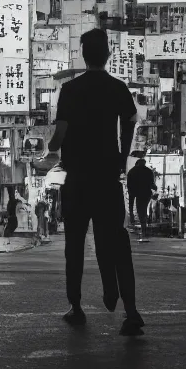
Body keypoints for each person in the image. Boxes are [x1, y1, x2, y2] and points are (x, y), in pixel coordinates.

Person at [47, 28, 145, 336]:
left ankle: (76, 308)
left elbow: (60, 133)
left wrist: (52, 146)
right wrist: (122, 155)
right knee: (117, 242)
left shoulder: (70, 90)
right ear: (108, 54)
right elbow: (130, 122)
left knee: (74, 245)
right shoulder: (118, 88)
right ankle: (130, 312)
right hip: (107, 178)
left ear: (83, 54)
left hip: (77, 180)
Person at [127, 153, 157, 241]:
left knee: (139, 210)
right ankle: (144, 229)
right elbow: (152, 185)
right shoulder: (148, 171)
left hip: (135, 193)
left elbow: (129, 185)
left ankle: (141, 225)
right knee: (143, 210)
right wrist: (154, 188)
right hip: (146, 194)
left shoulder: (132, 171)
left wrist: (131, 194)